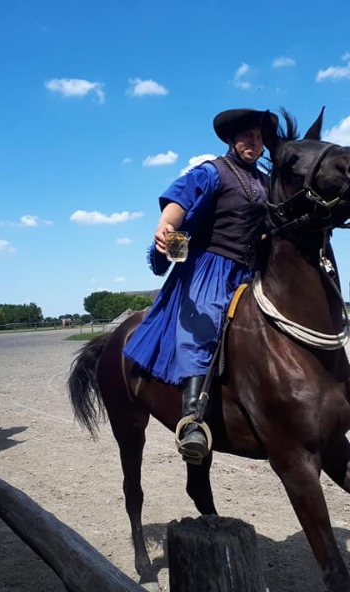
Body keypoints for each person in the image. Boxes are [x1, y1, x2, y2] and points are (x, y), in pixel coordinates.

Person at [123, 108, 278, 463]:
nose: (253, 142)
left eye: (258, 137)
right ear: (231, 139)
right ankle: (193, 419)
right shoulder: (211, 172)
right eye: (246, 136)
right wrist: (165, 226)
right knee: (203, 323)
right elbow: (178, 203)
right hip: (211, 268)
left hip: (251, 269)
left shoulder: (267, 182)